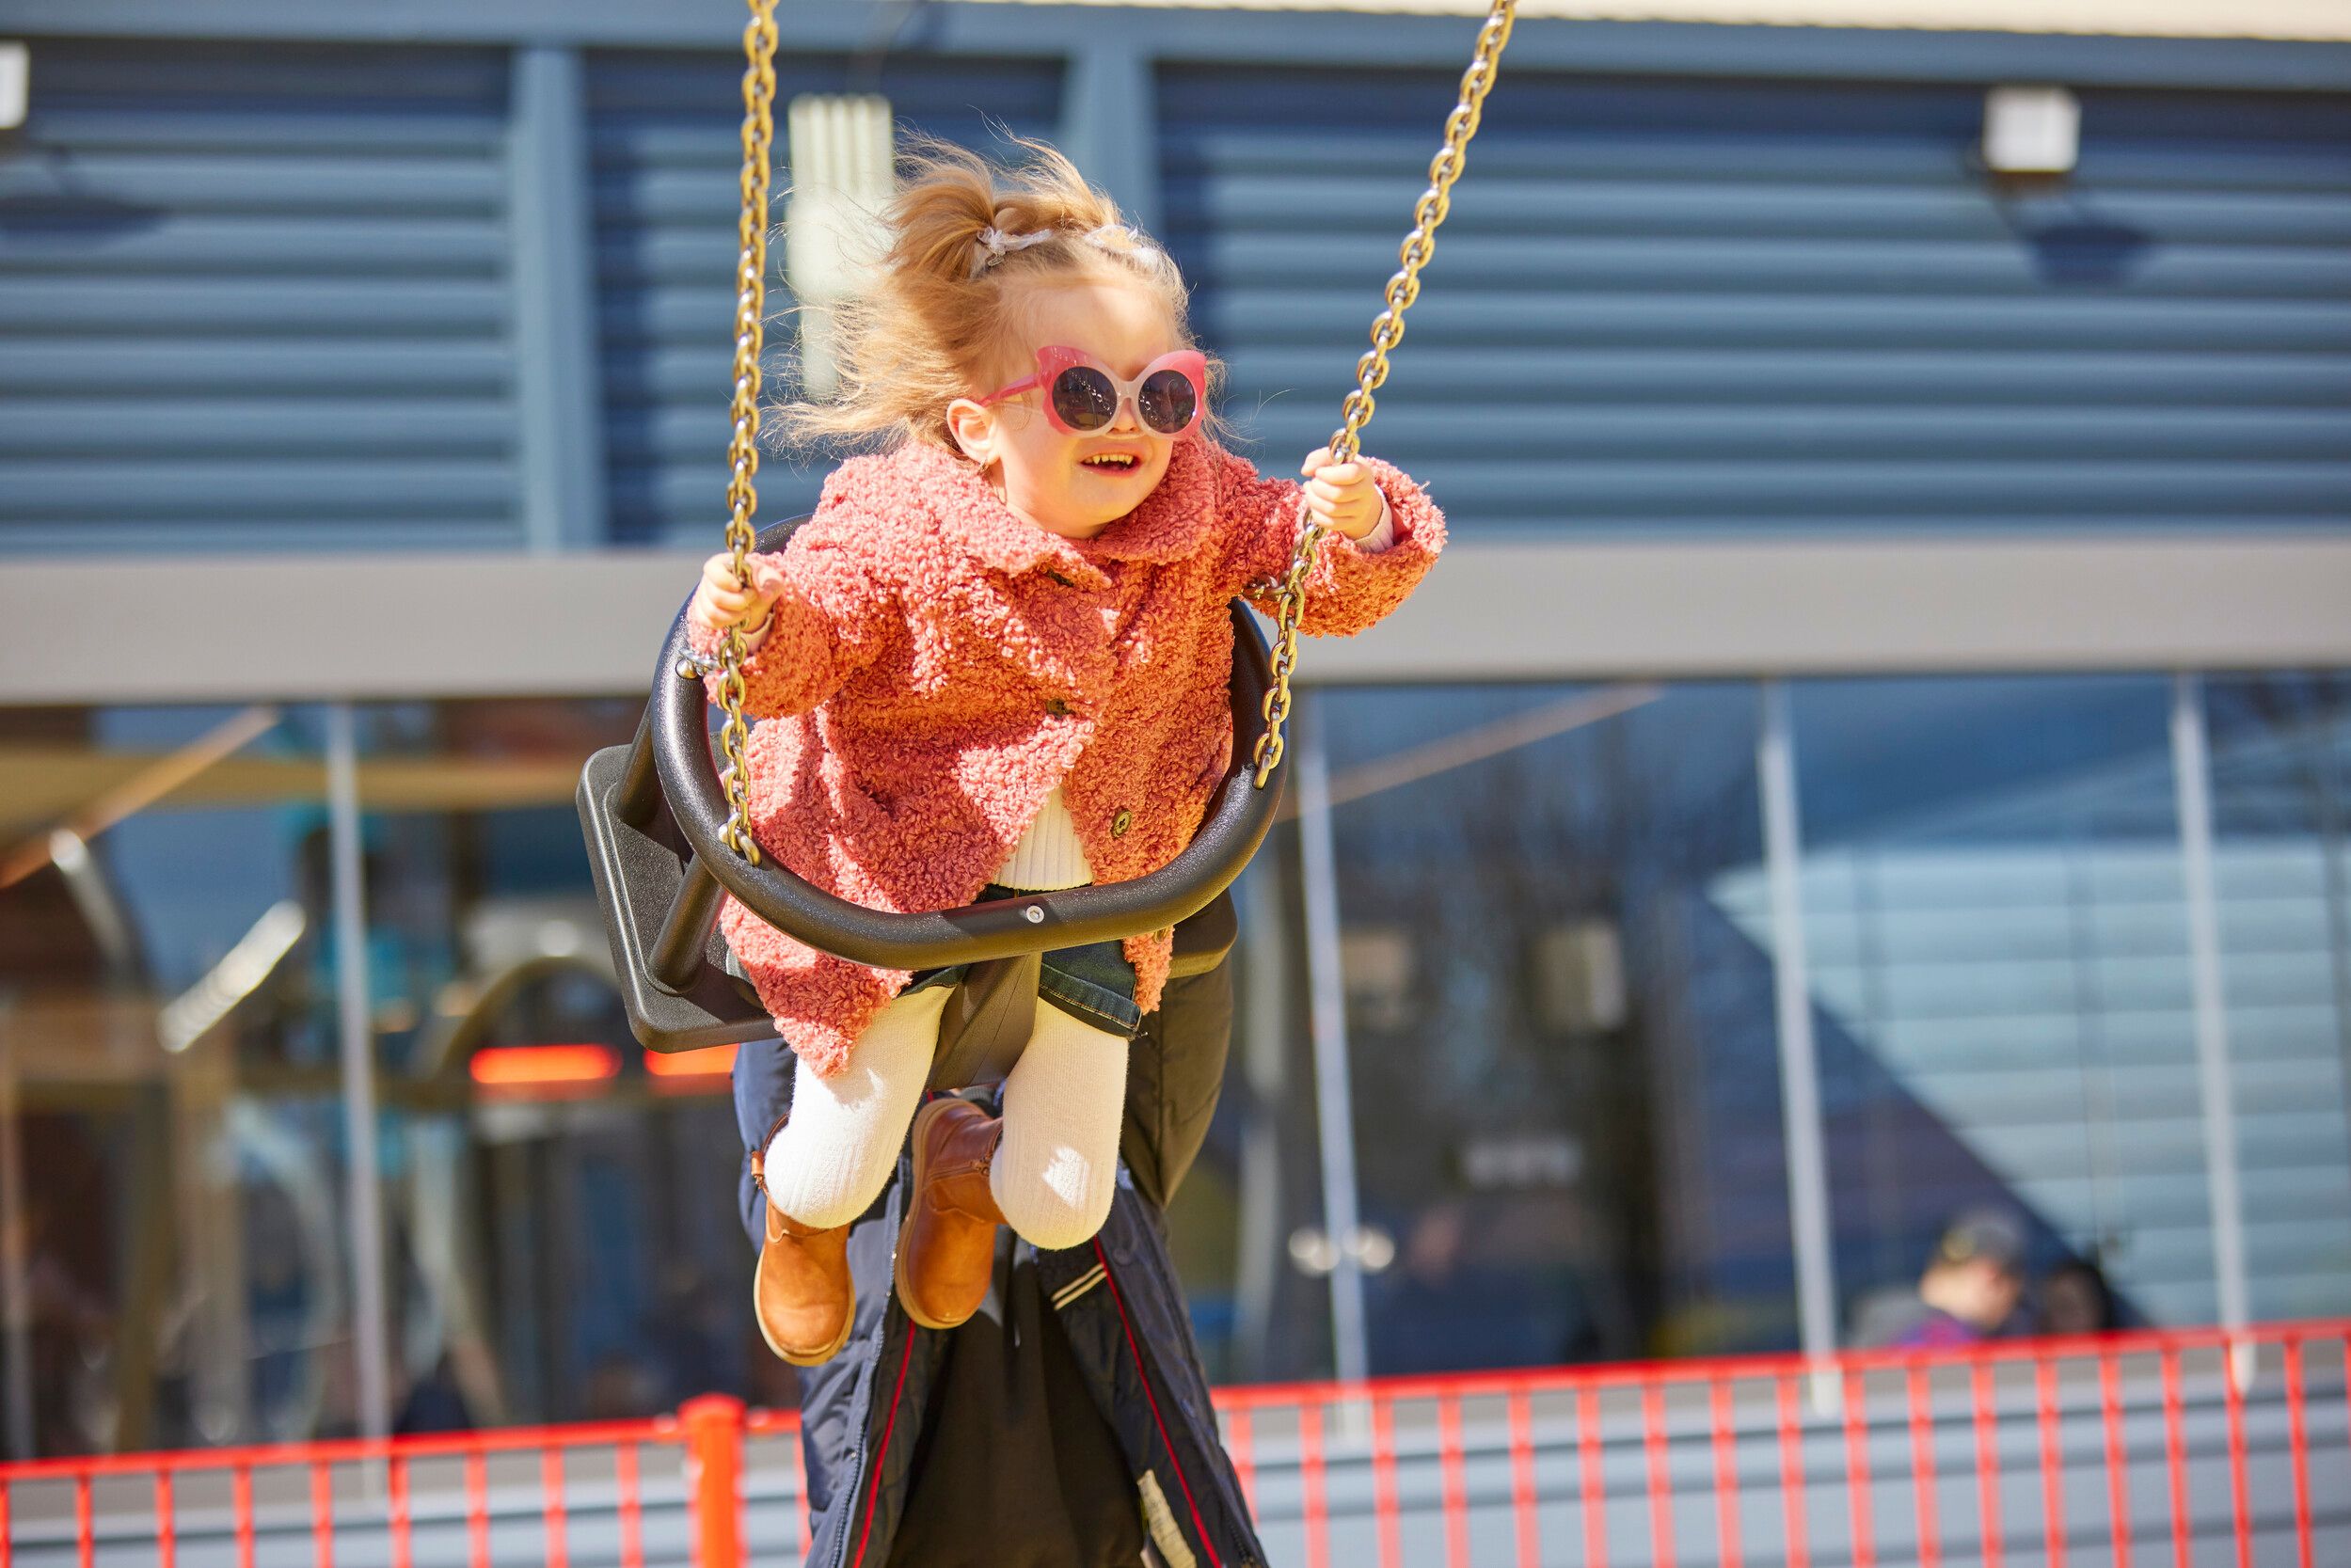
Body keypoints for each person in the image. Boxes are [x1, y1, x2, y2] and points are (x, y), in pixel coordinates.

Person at [690, 135, 1443, 1370]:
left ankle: (964, 1169)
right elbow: (815, 639)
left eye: (1165, 392)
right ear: (975, 427)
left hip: (1105, 878)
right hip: (901, 872)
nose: (1133, 427)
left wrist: (1355, 528)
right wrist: (760, 620)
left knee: (1062, 1200)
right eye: (1083, 395)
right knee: (830, 1170)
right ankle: (796, 1211)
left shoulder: (1197, 507)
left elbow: (1320, 584)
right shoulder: (897, 520)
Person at [1848, 1208, 2027, 1350]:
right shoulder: (1947, 1342)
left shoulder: (1884, 1322)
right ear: (1990, 1275)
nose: (2010, 1311)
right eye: (2015, 1297)